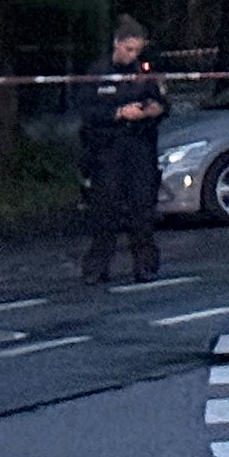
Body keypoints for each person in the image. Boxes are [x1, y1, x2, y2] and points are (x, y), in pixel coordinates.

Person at [78, 15, 167, 284]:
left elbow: (162, 104)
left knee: (142, 210)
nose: (132, 56)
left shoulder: (144, 73)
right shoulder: (97, 73)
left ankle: (145, 266)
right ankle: (97, 267)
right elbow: (86, 111)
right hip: (107, 150)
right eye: (129, 49)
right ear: (116, 43)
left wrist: (149, 111)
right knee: (105, 211)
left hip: (139, 148)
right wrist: (117, 113)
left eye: (137, 51)